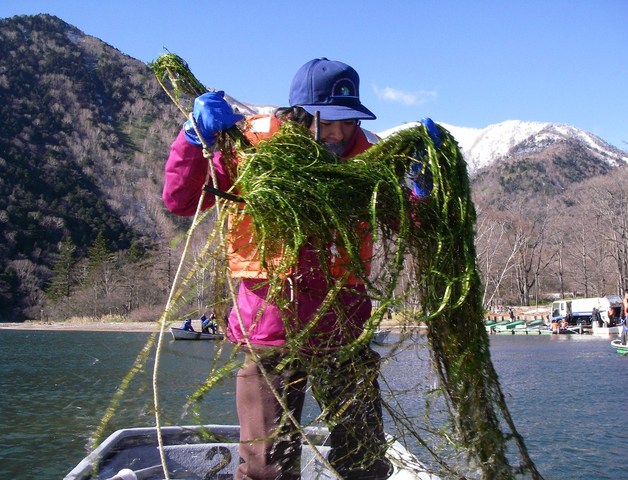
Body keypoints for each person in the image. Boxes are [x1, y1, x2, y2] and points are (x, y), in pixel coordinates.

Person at [163, 58, 437, 480]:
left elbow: (413, 228)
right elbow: (183, 201)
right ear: (300, 113)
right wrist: (192, 140)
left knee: (365, 458)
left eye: (349, 122)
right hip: (271, 324)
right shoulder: (252, 148)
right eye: (329, 121)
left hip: (344, 323)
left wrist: (421, 189)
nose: (339, 133)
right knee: (266, 466)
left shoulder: (370, 163)